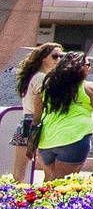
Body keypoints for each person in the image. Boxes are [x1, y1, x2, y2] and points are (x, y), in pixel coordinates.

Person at [35, 52, 93, 180]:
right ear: (80, 67)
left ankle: (36, 200)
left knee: (48, 181)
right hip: (74, 139)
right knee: (63, 185)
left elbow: (36, 117)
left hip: (46, 141)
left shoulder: (47, 87)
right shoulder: (88, 88)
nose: (89, 68)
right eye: (88, 65)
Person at [10, 44, 60, 183]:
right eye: (55, 56)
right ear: (44, 58)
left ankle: (11, 199)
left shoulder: (32, 76)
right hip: (39, 122)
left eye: (61, 56)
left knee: (18, 172)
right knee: (49, 170)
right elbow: (41, 103)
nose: (59, 59)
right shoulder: (42, 78)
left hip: (26, 121)